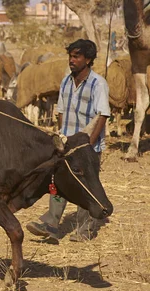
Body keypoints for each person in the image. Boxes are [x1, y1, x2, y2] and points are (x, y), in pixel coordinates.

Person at [26, 39, 110, 243]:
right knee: (59, 180)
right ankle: (51, 224)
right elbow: (61, 111)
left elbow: (102, 115)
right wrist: (62, 135)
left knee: (86, 185)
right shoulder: (66, 81)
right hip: (68, 144)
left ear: (88, 60)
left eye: (76, 56)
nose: (71, 60)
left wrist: (87, 146)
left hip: (86, 146)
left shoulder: (98, 83)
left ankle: (86, 228)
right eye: (70, 56)